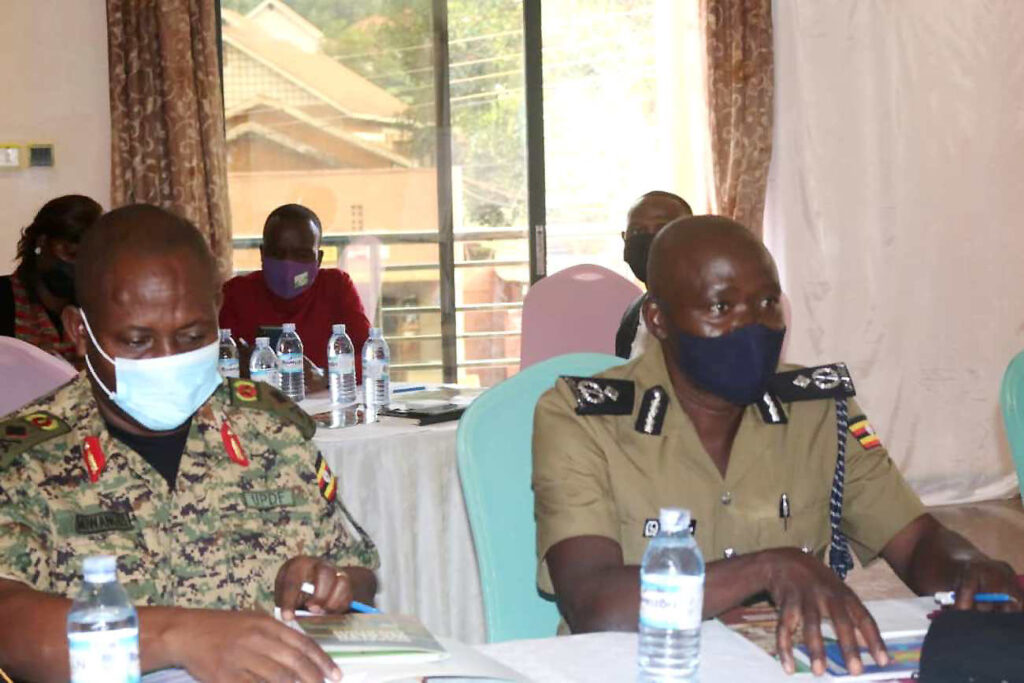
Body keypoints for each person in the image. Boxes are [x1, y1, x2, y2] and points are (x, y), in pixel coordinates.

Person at [533, 215, 1023, 677]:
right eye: (722, 307)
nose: (752, 326)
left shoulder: (819, 411)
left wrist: (969, 569)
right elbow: (594, 601)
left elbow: (915, 540)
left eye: (767, 303)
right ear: (658, 319)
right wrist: (769, 567)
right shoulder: (584, 419)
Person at [0, 205, 379, 682]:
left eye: (192, 335)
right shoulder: (28, 459)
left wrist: (330, 585)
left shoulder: (269, 431)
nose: (169, 358)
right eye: (137, 341)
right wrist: (182, 636)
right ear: (80, 332)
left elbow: (357, 571)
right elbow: (8, 624)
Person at [219, 204, 371, 381]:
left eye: (301, 254)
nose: (288, 264)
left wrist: (322, 377)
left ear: (318, 259)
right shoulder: (237, 293)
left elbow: (371, 359)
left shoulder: (336, 286)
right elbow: (217, 365)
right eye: (277, 253)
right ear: (262, 254)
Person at [0, 194, 102, 364]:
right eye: (71, 254)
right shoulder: (4, 298)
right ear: (41, 243)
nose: (78, 266)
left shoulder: (99, 308)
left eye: (89, 258)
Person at [615, 190, 692, 359]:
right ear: (624, 238)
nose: (649, 240)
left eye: (662, 228)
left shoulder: (713, 311)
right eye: (637, 232)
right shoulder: (634, 312)